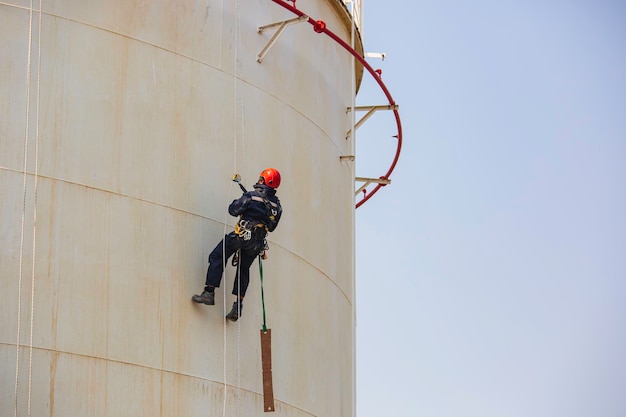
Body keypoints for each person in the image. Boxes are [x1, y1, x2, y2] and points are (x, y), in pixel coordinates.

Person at [192, 168, 283, 321]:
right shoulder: (277, 207)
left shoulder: (251, 196)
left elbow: (233, 210)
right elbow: (272, 227)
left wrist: (244, 201)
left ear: (263, 181)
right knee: (244, 269)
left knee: (218, 256)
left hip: (242, 236)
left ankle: (209, 292)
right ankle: (238, 306)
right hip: (257, 243)